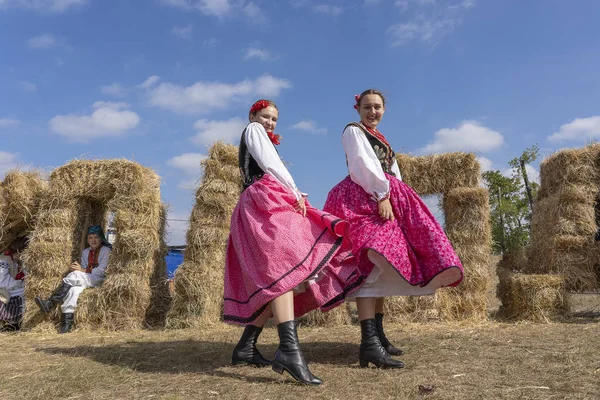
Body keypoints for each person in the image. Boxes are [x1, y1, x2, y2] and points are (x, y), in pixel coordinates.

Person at [223, 99, 361, 385]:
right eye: (265, 117)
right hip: (262, 201)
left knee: (279, 272)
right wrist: (295, 191)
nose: (269, 123)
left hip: (264, 198)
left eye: (273, 119)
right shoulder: (253, 130)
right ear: (252, 116)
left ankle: (246, 347)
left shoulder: (260, 134)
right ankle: (289, 350)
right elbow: (270, 163)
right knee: (283, 268)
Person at [324, 89, 464, 369]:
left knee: (383, 265)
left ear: (384, 110)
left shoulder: (383, 140)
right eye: (367, 107)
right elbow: (363, 166)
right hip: (363, 199)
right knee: (368, 264)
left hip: (386, 196)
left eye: (377, 107)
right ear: (358, 108)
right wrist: (382, 195)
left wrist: (399, 199)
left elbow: (394, 172)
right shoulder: (353, 131)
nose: (372, 111)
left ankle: (378, 336)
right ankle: (368, 344)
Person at [35, 225, 112, 333]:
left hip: (99, 279)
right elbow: (84, 268)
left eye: (96, 237)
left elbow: (102, 270)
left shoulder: (106, 250)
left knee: (75, 274)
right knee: (73, 290)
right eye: (90, 237)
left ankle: (50, 303)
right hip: (88, 278)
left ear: (101, 238)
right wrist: (82, 270)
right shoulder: (86, 252)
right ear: (87, 240)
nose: (93, 240)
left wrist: (82, 270)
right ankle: (66, 325)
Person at [0, 236, 28, 332]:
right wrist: (20, 284)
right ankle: (12, 323)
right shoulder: (4, 261)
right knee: (24, 295)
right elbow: (2, 282)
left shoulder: (17, 261)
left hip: (14, 289)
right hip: (5, 291)